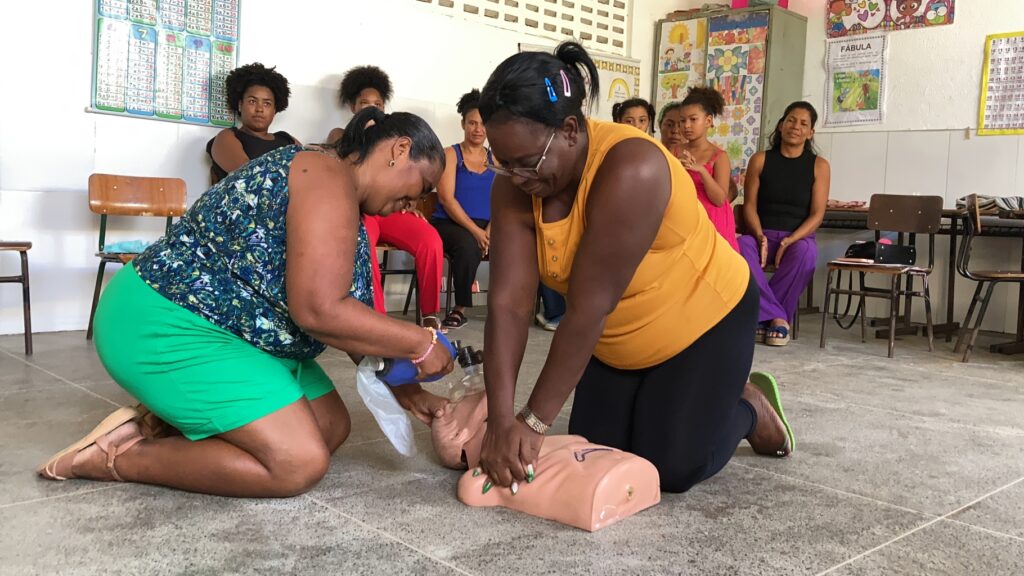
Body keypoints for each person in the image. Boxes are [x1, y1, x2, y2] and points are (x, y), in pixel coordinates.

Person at [38, 109, 456, 497]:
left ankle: (160, 423)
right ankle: (115, 458)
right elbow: (320, 311)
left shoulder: (342, 197)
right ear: (400, 150)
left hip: (235, 332)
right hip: (166, 319)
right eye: (420, 188)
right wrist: (419, 341)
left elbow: (350, 324)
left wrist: (410, 391)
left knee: (330, 426)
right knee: (297, 462)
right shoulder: (325, 173)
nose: (413, 204)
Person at [474, 42, 795, 494]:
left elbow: (587, 309)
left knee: (671, 467)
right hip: (618, 338)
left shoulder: (632, 167)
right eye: (502, 162)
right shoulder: (515, 182)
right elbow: (508, 304)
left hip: (703, 319)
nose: (515, 177)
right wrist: (501, 421)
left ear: (569, 130)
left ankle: (748, 408)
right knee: (602, 455)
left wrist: (532, 421)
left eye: (526, 163)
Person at [329, 66, 445, 331]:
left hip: (390, 212)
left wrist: (409, 199)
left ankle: (429, 314)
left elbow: (405, 176)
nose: (371, 108)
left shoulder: (399, 143)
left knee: (430, 238)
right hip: (362, 211)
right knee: (363, 240)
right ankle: (376, 315)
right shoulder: (341, 136)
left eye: (377, 103)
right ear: (353, 106)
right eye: (365, 103)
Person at [738, 102, 830, 347]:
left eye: (803, 124)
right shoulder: (760, 160)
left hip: (797, 238)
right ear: (780, 125)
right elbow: (749, 206)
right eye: (790, 120)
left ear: (810, 133)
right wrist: (759, 235)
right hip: (761, 235)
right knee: (739, 246)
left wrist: (791, 239)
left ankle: (762, 317)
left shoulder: (819, 166)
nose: (795, 127)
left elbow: (817, 214)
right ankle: (778, 318)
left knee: (807, 254)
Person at [430, 89, 493, 329]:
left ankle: (507, 309)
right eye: (472, 123)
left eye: (483, 124)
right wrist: (478, 233)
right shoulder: (451, 154)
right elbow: (446, 199)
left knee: (516, 246)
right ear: (463, 124)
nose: (478, 129)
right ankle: (459, 309)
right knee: (468, 244)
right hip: (449, 222)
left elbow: (502, 201)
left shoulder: (497, 159)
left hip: (486, 225)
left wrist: (489, 229)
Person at [660, 88, 738, 251]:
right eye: (682, 121)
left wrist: (702, 171)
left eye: (693, 119)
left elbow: (719, 200)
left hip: (712, 222)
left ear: (708, 121)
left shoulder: (719, 156)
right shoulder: (675, 151)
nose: (686, 126)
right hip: (682, 219)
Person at [206, 63, 300, 184]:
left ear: (275, 110)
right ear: (240, 105)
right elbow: (249, 175)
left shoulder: (286, 139)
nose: (259, 109)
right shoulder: (228, 136)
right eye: (252, 101)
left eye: (267, 103)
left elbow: (313, 169)